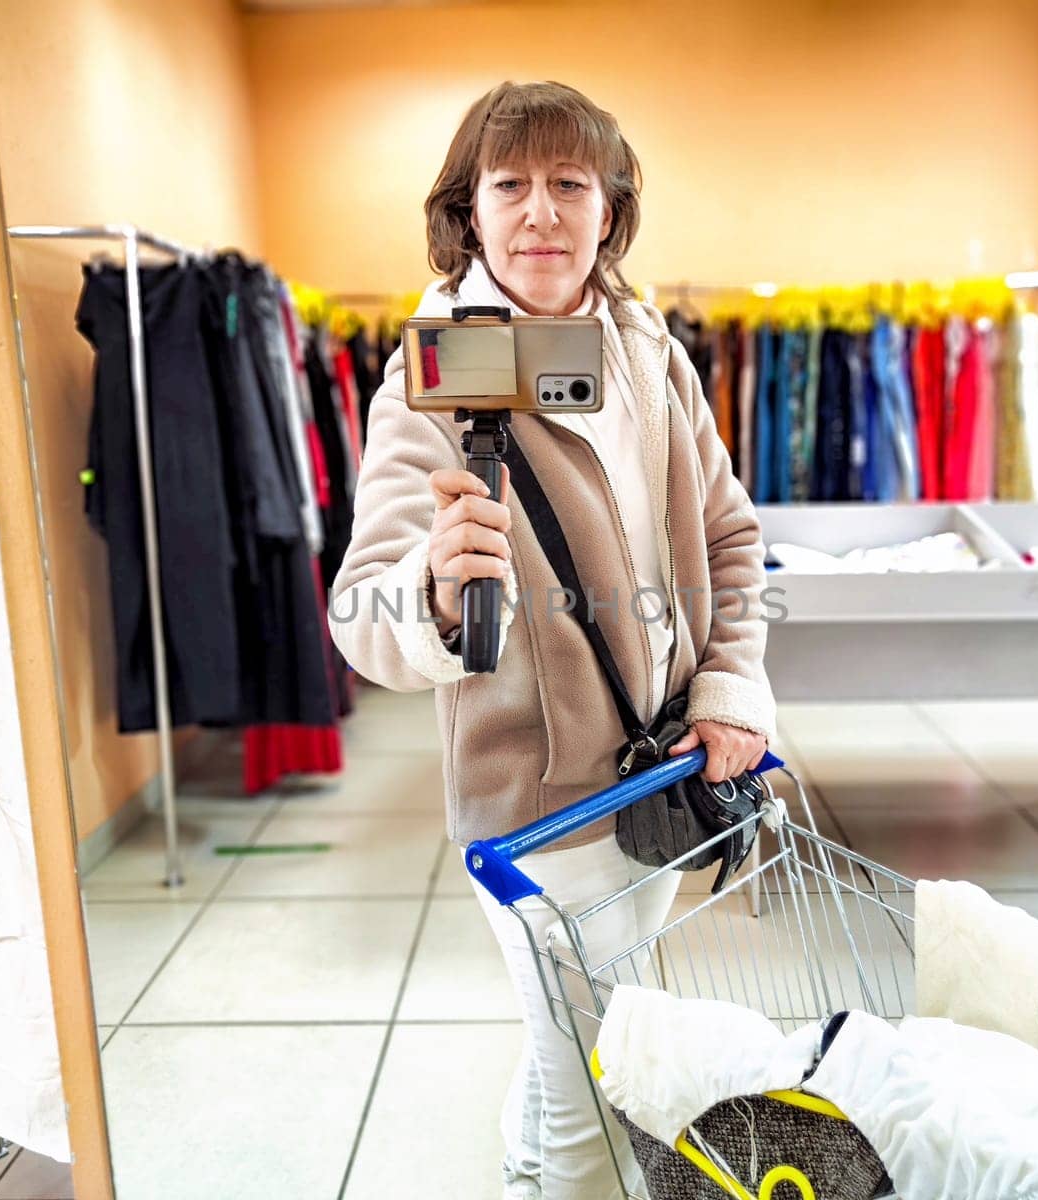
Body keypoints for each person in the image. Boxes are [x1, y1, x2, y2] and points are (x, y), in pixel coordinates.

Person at [329, 80, 775, 1200]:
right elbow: (358, 613)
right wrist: (431, 594)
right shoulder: (433, 372)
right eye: (510, 184)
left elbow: (726, 532)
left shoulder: (646, 348)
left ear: (610, 209)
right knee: (595, 1090)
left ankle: (527, 1164)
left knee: (575, 1033)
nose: (540, 213)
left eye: (569, 184)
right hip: (538, 815)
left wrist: (727, 685)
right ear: (466, 211)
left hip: (659, 774)